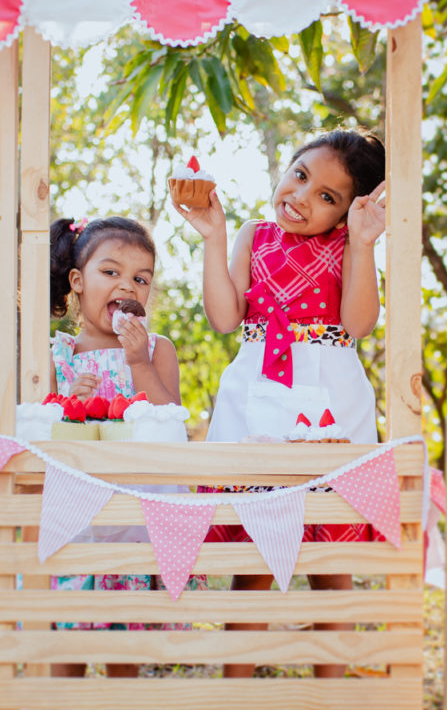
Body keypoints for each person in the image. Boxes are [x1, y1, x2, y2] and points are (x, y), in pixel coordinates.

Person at [173, 129, 387, 678]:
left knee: (332, 567)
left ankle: (331, 693)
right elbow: (225, 318)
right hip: (256, 402)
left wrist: (362, 245)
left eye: (327, 197)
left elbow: (359, 323)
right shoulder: (254, 234)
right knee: (253, 562)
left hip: (331, 409)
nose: (302, 196)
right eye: (300, 175)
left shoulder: (349, 244)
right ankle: (237, 690)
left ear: (347, 213)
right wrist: (214, 238)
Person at [46, 215, 200, 678]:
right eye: (110, 272)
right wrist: (69, 399)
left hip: (137, 515)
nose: (126, 286)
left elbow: (170, 422)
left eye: (140, 278)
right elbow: (44, 426)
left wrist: (137, 361)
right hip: (78, 514)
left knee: (124, 641)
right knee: (65, 638)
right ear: (77, 281)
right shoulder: (58, 353)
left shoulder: (158, 350)